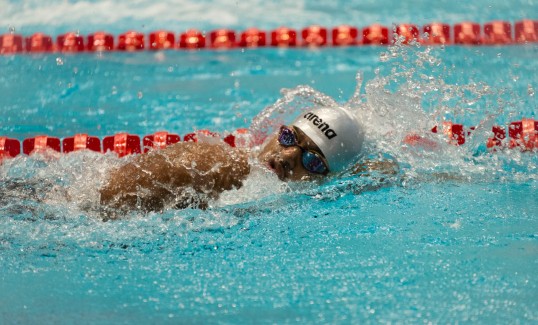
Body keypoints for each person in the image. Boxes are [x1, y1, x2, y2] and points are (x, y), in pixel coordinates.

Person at [100, 106, 370, 217]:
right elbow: (103, 203)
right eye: (289, 137)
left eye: (311, 161)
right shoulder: (212, 164)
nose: (288, 157)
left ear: (328, 178)